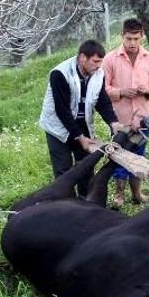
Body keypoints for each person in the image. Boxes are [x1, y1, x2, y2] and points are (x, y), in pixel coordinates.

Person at [39, 39, 122, 198]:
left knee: (86, 167)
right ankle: (67, 205)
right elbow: (62, 110)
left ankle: (85, 202)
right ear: (83, 57)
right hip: (58, 127)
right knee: (64, 170)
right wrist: (79, 137)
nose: (98, 66)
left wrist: (113, 122)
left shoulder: (98, 73)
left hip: (82, 124)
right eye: (95, 61)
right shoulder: (60, 74)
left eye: (100, 62)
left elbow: (102, 100)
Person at [102, 18, 149, 208]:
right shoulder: (110, 59)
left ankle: (137, 194)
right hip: (120, 119)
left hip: (144, 118)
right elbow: (103, 89)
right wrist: (121, 92)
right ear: (122, 36)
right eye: (129, 39)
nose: (132, 43)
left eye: (136, 38)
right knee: (120, 155)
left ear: (142, 36)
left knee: (139, 156)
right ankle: (119, 194)